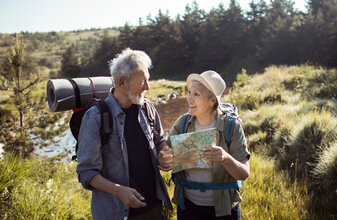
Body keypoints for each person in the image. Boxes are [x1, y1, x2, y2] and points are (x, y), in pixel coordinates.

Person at [76, 48, 172, 220]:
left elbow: (160, 140)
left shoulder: (147, 108)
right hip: (117, 214)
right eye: (142, 81)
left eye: (148, 80)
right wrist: (118, 190)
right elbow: (86, 173)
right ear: (121, 83)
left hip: (154, 207)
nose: (148, 87)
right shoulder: (95, 118)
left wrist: (164, 154)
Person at [158, 70, 250, 220]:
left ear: (212, 100)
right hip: (188, 208)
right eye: (189, 93)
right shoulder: (182, 124)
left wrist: (225, 158)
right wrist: (164, 160)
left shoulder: (232, 126)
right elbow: (164, 158)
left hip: (224, 211)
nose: (189, 99)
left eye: (196, 95)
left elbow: (244, 173)